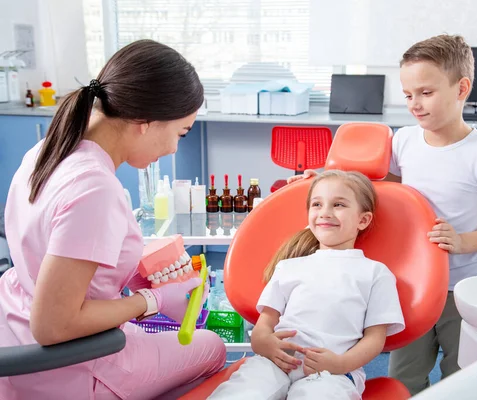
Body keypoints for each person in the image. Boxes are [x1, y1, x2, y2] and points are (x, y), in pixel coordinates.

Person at [289, 34, 477, 395]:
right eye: (408, 94)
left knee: (463, 378)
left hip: (460, 290)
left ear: (461, 88)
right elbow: (378, 190)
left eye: (426, 93)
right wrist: (324, 177)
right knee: (403, 378)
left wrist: (462, 242)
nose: (414, 104)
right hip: (410, 286)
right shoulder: (403, 141)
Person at [0, 39, 226, 400]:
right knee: (211, 346)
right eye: (180, 133)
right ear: (144, 121)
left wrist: (122, 273)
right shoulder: (94, 188)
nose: (173, 149)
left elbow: (49, 254)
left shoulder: (48, 149)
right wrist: (150, 301)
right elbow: (52, 325)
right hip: (73, 365)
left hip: (13, 331)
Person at [208, 170, 405, 400]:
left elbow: (375, 339)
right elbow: (264, 325)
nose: (325, 213)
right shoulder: (289, 267)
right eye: (317, 204)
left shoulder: (375, 273)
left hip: (332, 374)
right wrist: (264, 344)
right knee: (241, 394)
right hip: (276, 364)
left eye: (338, 204)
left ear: (363, 220)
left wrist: (341, 364)